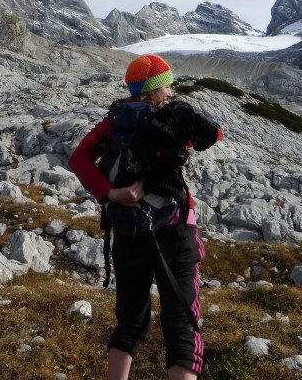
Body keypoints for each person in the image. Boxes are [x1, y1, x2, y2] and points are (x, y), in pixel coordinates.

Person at [68, 54, 222, 380]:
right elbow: (214, 135)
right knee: (181, 325)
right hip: (175, 230)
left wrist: (110, 193)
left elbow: (79, 157)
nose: (170, 90)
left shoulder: (114, 121)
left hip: (128, 230)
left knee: (130, 322)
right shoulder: (171, 119)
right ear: (153, 90)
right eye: (166, 84)